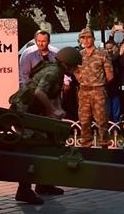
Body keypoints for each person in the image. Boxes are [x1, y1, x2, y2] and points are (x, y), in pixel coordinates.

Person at [9, 47, 82, 204]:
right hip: (23, 111)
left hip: (31, 112)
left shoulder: (57, 71)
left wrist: (58, 112)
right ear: (68, 64)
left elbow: (52, 95)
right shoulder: (54, 72)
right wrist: (54, 110)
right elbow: (39, 93)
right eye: (75, 66)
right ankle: (23, 190)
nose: (76, 69)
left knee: (46, 143)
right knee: (31, 147)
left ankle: (43, 184)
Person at [74, 28, 113, 147]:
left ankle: (104, 144)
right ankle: (86, 146)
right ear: (80, 40)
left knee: (102, 120)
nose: (86, 40)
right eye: (83, 38)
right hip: (84, 91)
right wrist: (80, 79)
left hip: (98, 91)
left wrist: (99, 84)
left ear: (93, 38)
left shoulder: (102, 54)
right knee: (84, 121)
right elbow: (75, 70)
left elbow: (110, 75)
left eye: (88, 37)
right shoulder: (79, 55)